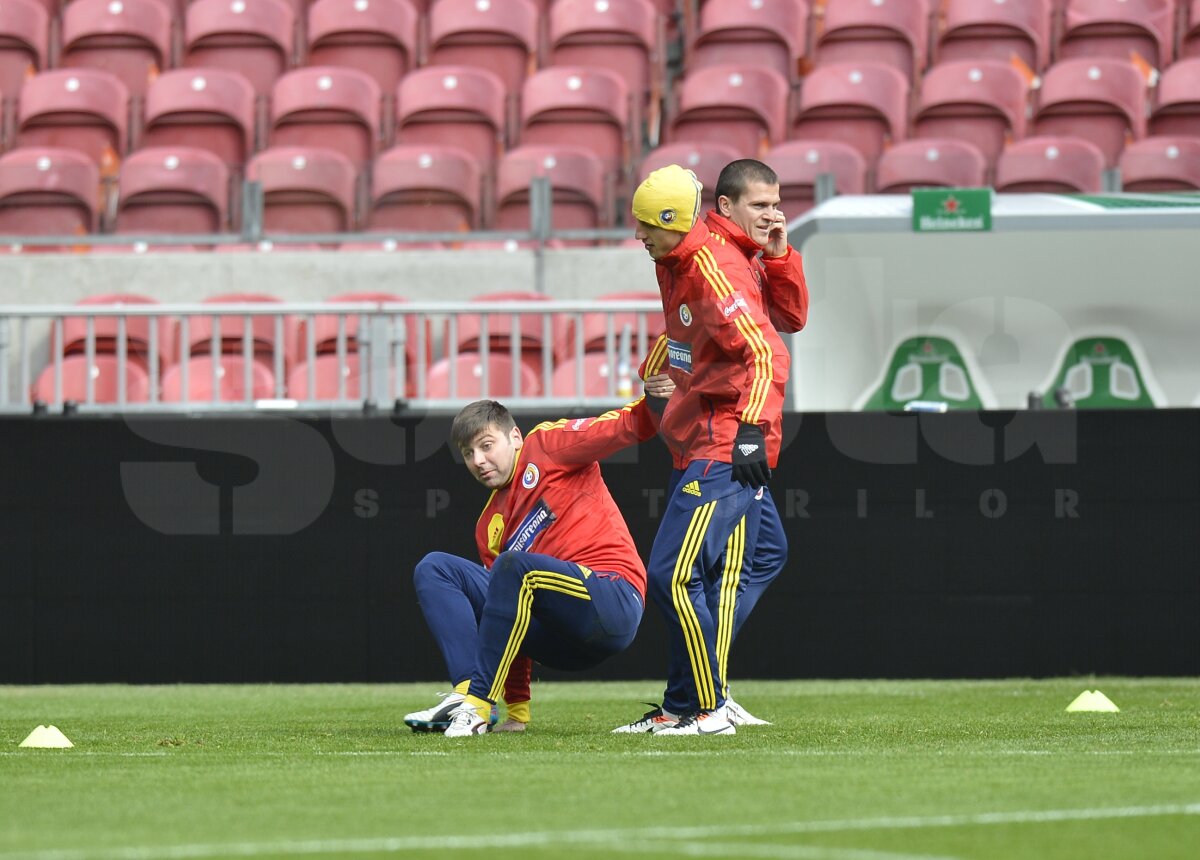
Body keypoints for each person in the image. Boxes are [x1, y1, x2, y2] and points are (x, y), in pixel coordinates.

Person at [614, 162, 796, 736]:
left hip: (726, 440)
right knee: (762, 555)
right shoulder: (682, 256)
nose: (639, 236)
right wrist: (653, 369)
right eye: (760, 205)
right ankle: (685, 703)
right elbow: (684, 329)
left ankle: (706, 707)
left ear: (674, 221)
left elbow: (770, 352)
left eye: (647, 226)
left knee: (673, 575)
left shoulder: (712, 265)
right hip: (701, 435)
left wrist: (749, 434)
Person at [403, 393, 664, 737]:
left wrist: (658, 399)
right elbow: (505, 614)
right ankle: (468, 695)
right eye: (468, 453)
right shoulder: (489, 526)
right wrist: (518, 712)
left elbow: (625, 426)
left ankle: (478, 702)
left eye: (486, 445)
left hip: (611, 601)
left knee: (513, 568)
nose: (478, 460)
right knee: (436, 568)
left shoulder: (547, 445)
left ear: (514, 438)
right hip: (561, 640)